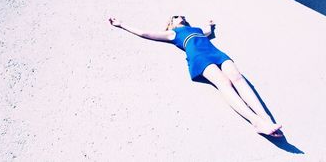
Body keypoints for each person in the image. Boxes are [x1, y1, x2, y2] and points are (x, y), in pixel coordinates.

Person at [108, 15, 283, 137]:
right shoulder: (173, 33)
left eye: (182, 15)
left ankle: (266, 118)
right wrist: (121, 24)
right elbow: (145, 33)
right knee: (224, 84)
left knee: (238, 78)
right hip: (199, 57)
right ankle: (256, 122)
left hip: (217, 53)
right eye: (176, 16)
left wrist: (210, 24)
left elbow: (207, 31)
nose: (181, 17)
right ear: (171, 23)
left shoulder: (197, 29)